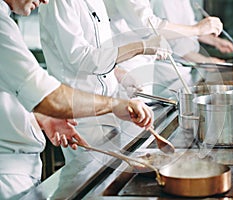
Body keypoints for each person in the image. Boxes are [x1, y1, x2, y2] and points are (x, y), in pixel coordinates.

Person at [0, 0, 154, 199]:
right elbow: (52, 96)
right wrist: (114, 106)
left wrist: (42, 118)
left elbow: (9, 89)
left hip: (23, 162)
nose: (46, 0)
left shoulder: (6, 22)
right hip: (8, 168)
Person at [38, 0, 171, 163]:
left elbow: (100, 51)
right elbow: (81, 59)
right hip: (83, 115)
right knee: (93, 180)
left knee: (114, 174)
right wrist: (141, 47)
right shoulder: (60, 3)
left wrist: (117, 73)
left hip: (109, 108)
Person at [103, 0, 227, 94]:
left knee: (141, 117)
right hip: (126, 64)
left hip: (139, 62)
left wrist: (209, 37)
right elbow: (147, 26)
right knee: (132, 119)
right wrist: (197, 29)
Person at [151, 0, 233, 64]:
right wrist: (204, 61)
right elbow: (174, 43)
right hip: (168, 71)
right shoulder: (162, 3)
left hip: (184, 68)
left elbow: (190, 26)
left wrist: (216, 42)